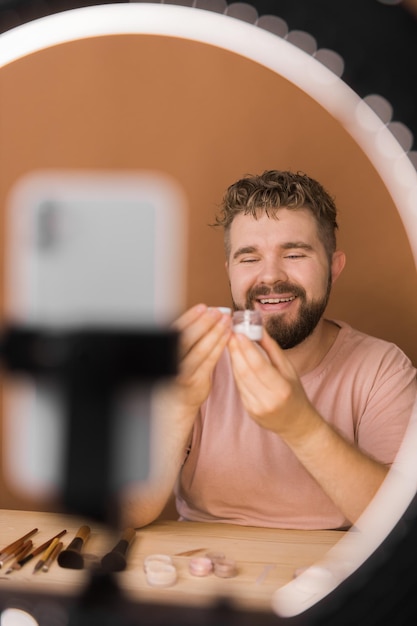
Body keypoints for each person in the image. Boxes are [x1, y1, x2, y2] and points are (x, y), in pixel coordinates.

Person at [122, 170, 417, 530]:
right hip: (204, 567)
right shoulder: (192, 359)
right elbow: (125, 512)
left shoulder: (382, 369)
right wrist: (179, 404)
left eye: (294, 254)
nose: (270, 276)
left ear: (334, 268)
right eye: (249, 259)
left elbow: (402, 526)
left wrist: (301, 427)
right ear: (230, 270)